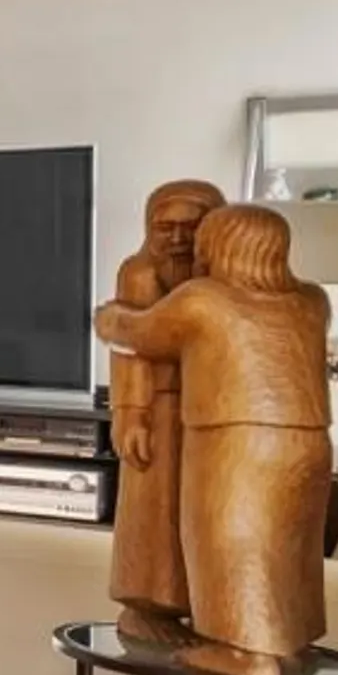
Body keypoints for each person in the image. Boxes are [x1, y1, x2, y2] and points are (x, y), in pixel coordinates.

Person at [94, 202, 332, 675]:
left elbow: (140, 332)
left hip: (235, 438)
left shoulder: (203, 299)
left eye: (203, 241)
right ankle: (285, 640)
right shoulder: (313, 301)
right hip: (308, 439)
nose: (195, 252)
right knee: (291, 539)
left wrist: (107, 316)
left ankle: (244, 653)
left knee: (228, 536)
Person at [102, 179, 223, 645]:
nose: (177, 238)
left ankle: (211, 606)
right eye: (164, 227)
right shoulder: (139, 273)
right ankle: (146, 607)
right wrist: (130, 411)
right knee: (154, 511)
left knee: (207, 510)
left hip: (215, 412)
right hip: (160, 409)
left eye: (190, 227)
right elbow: (128, 348)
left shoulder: (222, 278)